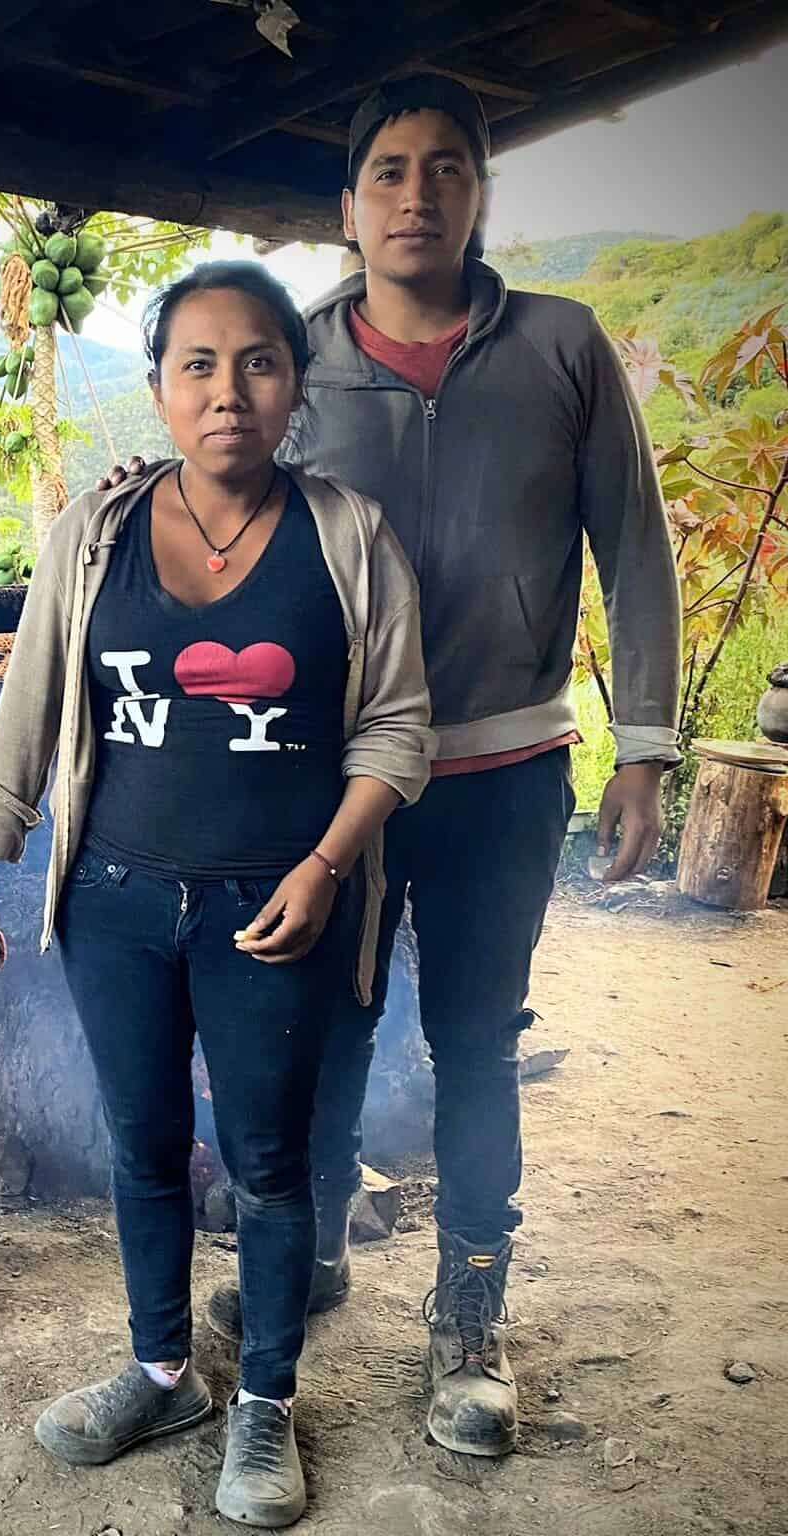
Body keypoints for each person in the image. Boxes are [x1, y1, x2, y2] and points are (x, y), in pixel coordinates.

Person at [102, 75, 682, 1460]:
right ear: (347, 205)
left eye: (446, 169)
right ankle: (318, 1255)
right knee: (329, 1033)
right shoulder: (293, 361)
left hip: (502, 770)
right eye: (389, 173)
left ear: (480, 194)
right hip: (335, 782)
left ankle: (469, 1320)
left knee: (475, 1042)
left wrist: (645, 750)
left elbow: (637, 548)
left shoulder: (561, 347)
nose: (417, 195)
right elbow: (227, 503)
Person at [0, 262, 433, 1528]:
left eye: (258, 362)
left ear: (293, 384)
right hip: (113, 898)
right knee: (144, 1145)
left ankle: (264, 1402)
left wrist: (325, 871)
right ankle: (163, 1372)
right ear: (157, 390)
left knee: (270, 1161)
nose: (228, 391)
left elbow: (395, 733)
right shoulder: (93, 536)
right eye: (197, 366)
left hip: (279, 906)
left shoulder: (348, 535)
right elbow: (27, 718)